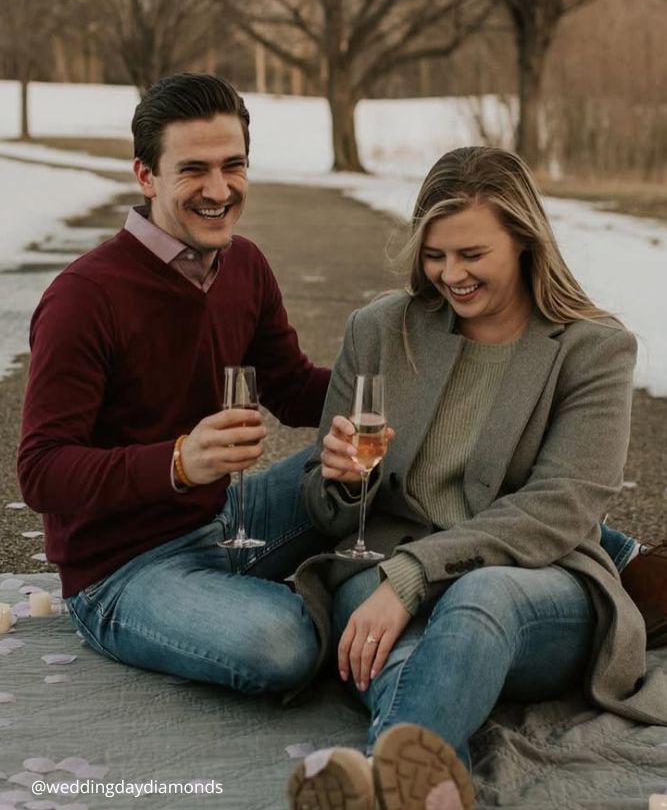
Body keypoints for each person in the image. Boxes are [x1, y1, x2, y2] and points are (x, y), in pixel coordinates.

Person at [287, 147, 667, 810]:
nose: (448, 275)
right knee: (399, 664)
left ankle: (376, 782)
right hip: (377, 572)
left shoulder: (592, 349)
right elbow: (327, 512)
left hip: (529, 587)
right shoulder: (377, 330)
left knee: (480, 595)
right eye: (434, 255)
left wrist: (413, 574)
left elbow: (558, 508)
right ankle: (419, 788)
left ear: (523, 241)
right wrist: (344, 483)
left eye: (470, 255)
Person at [18, 72, 332, 694]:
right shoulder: (85, 296)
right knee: (279, 645)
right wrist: (179, 462)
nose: (219, 190)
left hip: (231, 517)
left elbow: (293, 388)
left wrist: (400, 382)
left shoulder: (245, 265)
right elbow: (42, 472)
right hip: (123, 571)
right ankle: (344, 607)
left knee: (378, 467)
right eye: (194, 170)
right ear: (146, 176)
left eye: (233, 166)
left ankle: (363, 596)